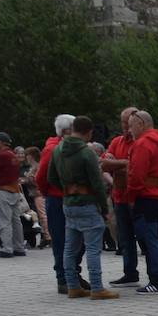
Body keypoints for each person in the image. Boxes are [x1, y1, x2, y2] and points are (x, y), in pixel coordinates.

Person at [48, 116, 119, 301]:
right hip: (87, 203)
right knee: (93, 249)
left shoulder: (57, 150)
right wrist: (104, 208)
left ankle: (72, 286)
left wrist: (67, 189)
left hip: (68, 203)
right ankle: (97, 287)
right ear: (89, 132)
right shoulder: (87, 153)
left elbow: (51, 178)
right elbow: (97, 183)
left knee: (70, 248)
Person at [125, 111, 158, 294]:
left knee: (150, 240)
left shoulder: (142, 144)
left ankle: (156, 279)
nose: (129, 131)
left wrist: (131, 198)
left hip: (146, 197)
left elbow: (136, 175)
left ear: (141, 123)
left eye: (131, 126)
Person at [102, 107, 142, 284]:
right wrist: (123, 163)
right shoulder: (117, 141)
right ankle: (130, 272)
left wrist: (115, 164)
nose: (125, 126)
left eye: (128, 123)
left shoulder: (142, 142)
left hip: (139, 198)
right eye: (123, 122)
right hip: (120, 197)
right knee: (125, 237)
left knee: (146, 237)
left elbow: (136, 167)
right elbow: (103, 163)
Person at [36, 114, 75, 292]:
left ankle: (72, 275)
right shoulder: (53, 149)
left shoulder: (61, 147)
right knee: (61, 239)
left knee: (71, 239)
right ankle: (63, 278)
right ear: (66, 131)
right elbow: (42, 175)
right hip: (58, 198)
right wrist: (48, 192)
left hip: (64, 197)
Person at [0, 132, 26, 257]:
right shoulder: (12, 155)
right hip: (14, 190)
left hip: (4, 191)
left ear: (1, 142)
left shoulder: (2, 155)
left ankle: (7, 249)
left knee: (4, 221)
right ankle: (19, 247)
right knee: (16, 221)